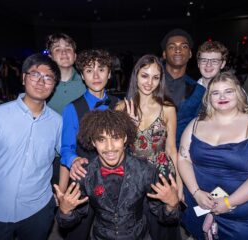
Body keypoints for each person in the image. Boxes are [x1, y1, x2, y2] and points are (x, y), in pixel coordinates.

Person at [0, 53, 62, 240]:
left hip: (37, 211)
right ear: (24, 78)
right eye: (35, 75)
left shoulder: (57, 122)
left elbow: (67, 157)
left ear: (54, 85)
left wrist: (60, 195)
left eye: (48, 78)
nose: (41, 82)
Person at [178, 71, 248, 239]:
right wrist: (196, 192)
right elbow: (183, 159)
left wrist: (229, 202)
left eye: (228, 91)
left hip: (239, 215)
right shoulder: (195, 124)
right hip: (201, 204)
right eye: (215, 93)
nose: (222, 96)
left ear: (239, 93)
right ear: (208, 97)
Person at [54, 109, 180, 239]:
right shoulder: (84, 174)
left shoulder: (146, 171)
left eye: (115, 138)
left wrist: (172, 205)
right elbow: (69, 224)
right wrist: (65, 211)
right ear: (93, 142)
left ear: (125, 138)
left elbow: (164, 219)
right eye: (101, 139)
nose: (109, 147)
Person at [116, 54, 181, 240]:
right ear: (136, 76)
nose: (149, 82)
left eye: (155, 77)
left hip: (162, 173)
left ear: (160, 80)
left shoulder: (167, 108)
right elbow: (115, 150)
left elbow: (171, 149)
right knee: (135, 226)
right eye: (144, 75)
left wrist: (179, 186)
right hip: (133, 174)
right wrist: (130, 127)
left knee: (163, 227)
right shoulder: (121, 108)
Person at [59, 49, 119, 240]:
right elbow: (66, 148)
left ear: (109, 74)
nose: (95, 75)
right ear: (82, 76)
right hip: (84, 179)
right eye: (89, 70)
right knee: (77, 233)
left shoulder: (120, 105)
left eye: (101, 69)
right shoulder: (72, 108)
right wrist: (73, 159)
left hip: (114, 180)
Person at [176, 41, 228, 147]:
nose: (208, 65)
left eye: (214, 61)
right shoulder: (188, 90)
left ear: (222, 64)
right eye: (204, 60)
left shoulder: (233, 93)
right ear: (198, 63)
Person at [160, 28, 197, 146]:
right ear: (164, 54)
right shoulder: (148, 83)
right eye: (172, 47)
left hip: (181, 154)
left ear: (190, 54)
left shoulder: (199, 91)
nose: (178, 50)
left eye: (184, 46)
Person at [46, 33, 86, 114]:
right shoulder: (43, 84)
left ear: (75, 56)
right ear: (50, 57)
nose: (64, 52)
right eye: (57, 49)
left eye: (68, 48)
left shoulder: (87, 81)